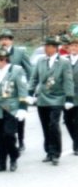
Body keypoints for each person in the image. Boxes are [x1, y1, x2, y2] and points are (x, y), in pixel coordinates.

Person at [28, 36, 75, 165]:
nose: (45, 48)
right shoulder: (41, 61)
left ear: (54, 48)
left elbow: (68, 80)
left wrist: (69, 97)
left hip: (57, 97)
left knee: (53, 124)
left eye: (47, 46)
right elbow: (34, 78)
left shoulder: (64, 62)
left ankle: (56, 153)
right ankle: (48, 151)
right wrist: (29, 93)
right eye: (45, 46)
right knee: (45, 125)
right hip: (42, 98)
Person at [0, 48, 28, 172]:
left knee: (8, 135)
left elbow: (22, 88)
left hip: (11, 108)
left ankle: (13, 156)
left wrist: (23, 107)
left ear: (3, 60)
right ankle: (1, 162)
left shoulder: (16, 70)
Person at [0, 29, 32, 152]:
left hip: (16, 91)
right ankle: (6, 141)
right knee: (2, 118)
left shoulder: (19, 53)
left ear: (11, 40)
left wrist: (27, 86)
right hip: (1, 92)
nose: (4, 41)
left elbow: (29, 69)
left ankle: (21, 140)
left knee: (19, 117)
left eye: (6, 39)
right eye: (2, 39)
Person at [63, 31, 78, 155]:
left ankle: (76, 146)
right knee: (67, 120)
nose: (73, 48)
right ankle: (76, 140)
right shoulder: (64, 61)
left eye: (76, 46)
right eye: (72, 46)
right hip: (67, 96)